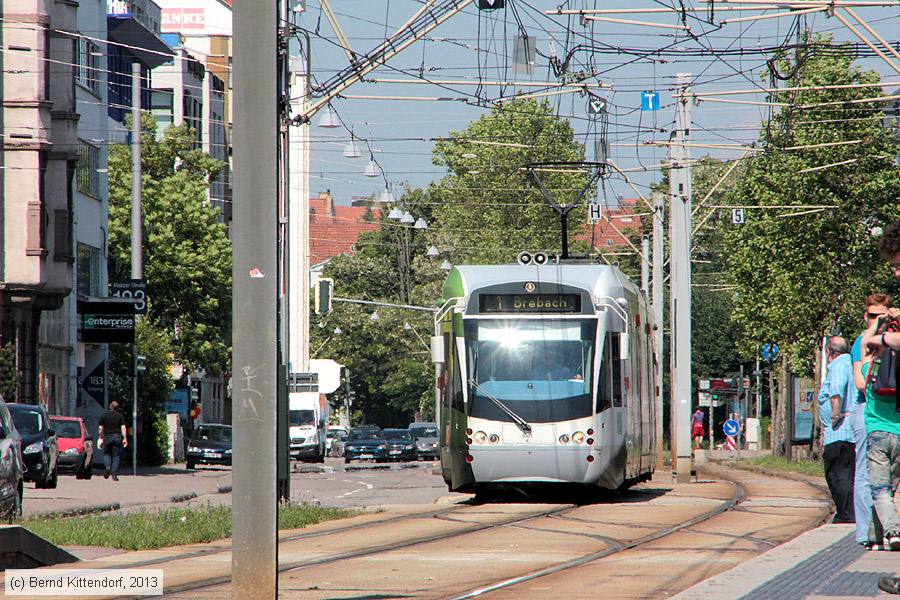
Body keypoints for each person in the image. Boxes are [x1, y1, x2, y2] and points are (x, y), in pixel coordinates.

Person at [850, 294, 895, 547]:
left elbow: (861, 379)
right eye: (871, 315)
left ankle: (882, 533)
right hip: (871, 410)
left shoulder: (893, 339)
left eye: (881, 315)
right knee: (870, 477)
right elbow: (859, 382)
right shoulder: (862, 342)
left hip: (883, 415)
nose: (876, 320)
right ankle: (868, 533)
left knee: (880, 481)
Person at [818, 336, 857, 523]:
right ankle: (848, 512)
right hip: (846, 432)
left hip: (840, 431)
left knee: (838, 474)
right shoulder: (850, 363)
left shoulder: (839, 365)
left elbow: (837, 391)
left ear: (829, 352)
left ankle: (846, 514)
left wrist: (834, 416)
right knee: (844, 472)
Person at [97, 400, 128, 481]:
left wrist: (100, 437)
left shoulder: (104, 416)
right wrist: (125, 438)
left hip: (107, 437)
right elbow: (123, 427)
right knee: (116, 456)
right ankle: (114, 475)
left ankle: (107, 468)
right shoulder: (120, 416)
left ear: (109, 407)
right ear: (117, 408)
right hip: (117, 437)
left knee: (106, 454)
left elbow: (100, 428)